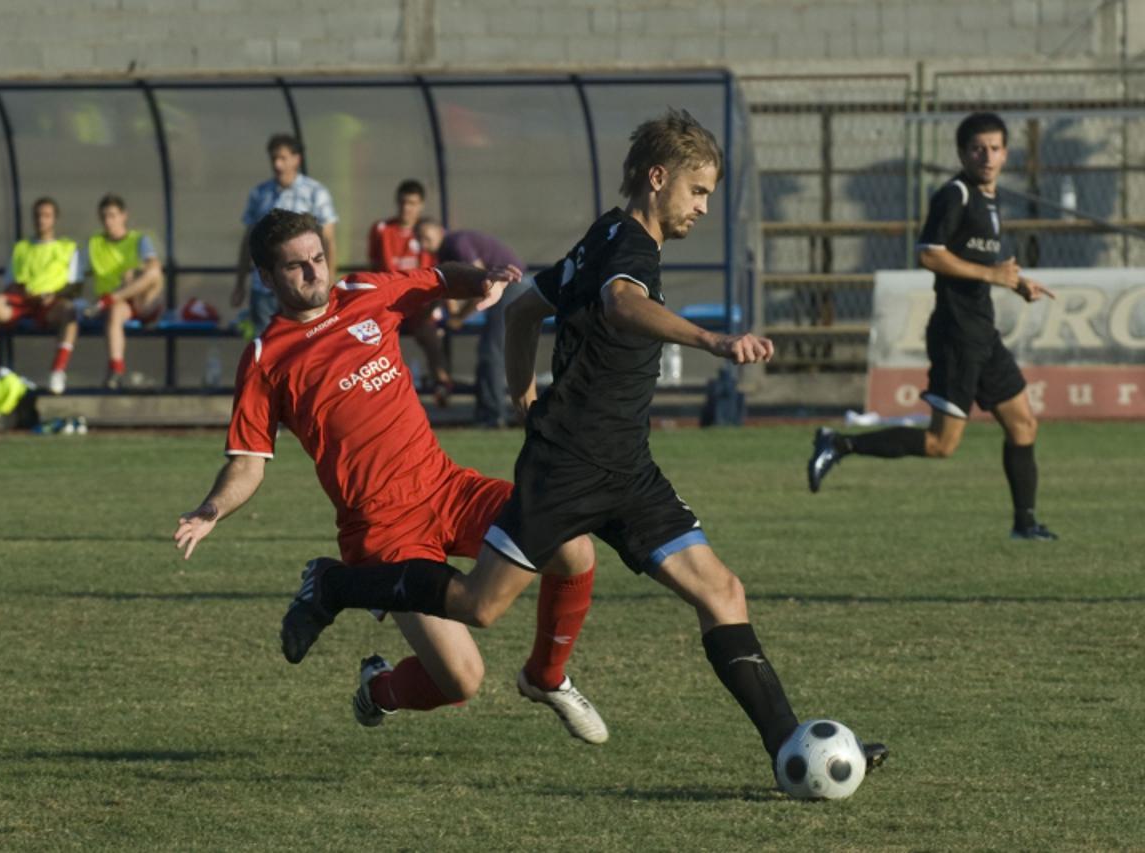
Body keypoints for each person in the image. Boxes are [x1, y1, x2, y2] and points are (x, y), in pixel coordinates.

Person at [281, 108, 887, 782]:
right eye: (698, 190)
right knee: (481, 605)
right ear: (658, 179)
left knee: (722, 591)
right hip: (566, 468)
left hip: (626, 466)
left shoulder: (602, 234)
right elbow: (624, 304)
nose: (703, 206)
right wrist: (712, 340)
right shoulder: (627, 248)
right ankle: (335, 583)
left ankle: (787, 747)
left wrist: (522, 396)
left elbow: (521, 309)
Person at [175, 209, 607, 743]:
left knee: (574, 546)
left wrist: (483, 280)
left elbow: (441, 278)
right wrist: (212, 508)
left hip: (447, 487)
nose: (314, 273)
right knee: (462, 680)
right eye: (296, 267)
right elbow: (247, 462)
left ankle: (546, 676)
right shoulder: (267, 358)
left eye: (318, 258)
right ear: (266, 277)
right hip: (384, 530)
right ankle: (377, 689)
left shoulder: (363, 291)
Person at [807, 112, 1058, 541]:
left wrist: (1016, 283)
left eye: (995, 148)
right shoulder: (955, 194)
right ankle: (839, 443)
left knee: (1023, 425)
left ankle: (1025, 524)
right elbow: (930, 253)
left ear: (1006, 153)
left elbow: (982, 265)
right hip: (957, 334)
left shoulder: (992, 200)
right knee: (941, 445)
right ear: (962, 153)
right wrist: (994, 275)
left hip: (983, 332)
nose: (987, 156)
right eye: (978, 148)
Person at [416, 219, 528, 427]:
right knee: (492, 351)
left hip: (511, 287)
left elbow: (482, 283)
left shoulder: (456, 243)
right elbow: (451, 289)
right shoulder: (445, 252)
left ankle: (493, 416)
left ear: (440, 231)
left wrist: (459, 318)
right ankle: (491, 413)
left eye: (425, 236)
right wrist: (446, 312)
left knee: (491, 352)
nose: (422, 243)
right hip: (509, 288)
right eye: (418, 238)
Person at [232, 133, 338, 336]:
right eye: (274, 159)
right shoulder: (260, 193)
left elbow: (328, 240)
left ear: (297, 159)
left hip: (304, 284)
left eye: (283, 158)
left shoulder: (316, 192)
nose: (277, 164)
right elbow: (248, 241)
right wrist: (239, 285)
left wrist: (328, 280)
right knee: (268, 342)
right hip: (264, 289)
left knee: (308, 339)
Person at [0, 197, 81, 395]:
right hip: (23, 302)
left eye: (47, 216)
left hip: (50, 304)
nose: (42, 220)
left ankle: (58, 371)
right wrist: (22, 292)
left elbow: (75, 286)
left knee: (70, 312)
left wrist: (53, 295)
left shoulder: (68, 248)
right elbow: (10, 282)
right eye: (38, 215)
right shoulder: (22, 248)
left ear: (55, 219)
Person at [368, 179, 453, 404]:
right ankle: (383, 392)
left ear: (421, 205)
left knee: (430, 335)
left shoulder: (432, 234)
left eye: (413, 203)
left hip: (420, 304)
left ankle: (442, 383)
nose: (407, 208)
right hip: (389, 303)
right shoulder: (382, 230)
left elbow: (442, 271)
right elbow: (375, 267)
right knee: (375, 339)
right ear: (397, 202)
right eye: (404, 202)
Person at [81, 193, 164, 389]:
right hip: (116, 304)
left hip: (142, 299)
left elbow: (153, 267)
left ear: (123, 216)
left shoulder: (139, 240)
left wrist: (133, 274)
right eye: (104, 217)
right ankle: (116, 370)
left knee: (154, 272)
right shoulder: (94, 243)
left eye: (112, 215)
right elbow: (78, 275)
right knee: (115, 312)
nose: (108, 221)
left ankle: (111, 299)